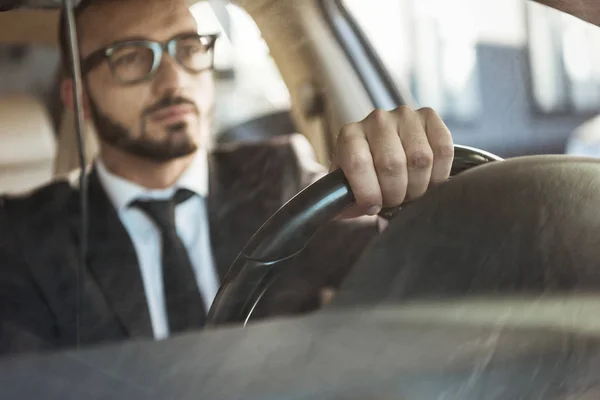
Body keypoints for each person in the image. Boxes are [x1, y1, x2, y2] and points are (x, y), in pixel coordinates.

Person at [0, 0, 454, 355]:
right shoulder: (24, 235)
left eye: (189, 48)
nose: (174, 81)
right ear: (77, 98)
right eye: (133, 58)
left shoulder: (280, 177)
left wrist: (403, 192)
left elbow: (414, 277)